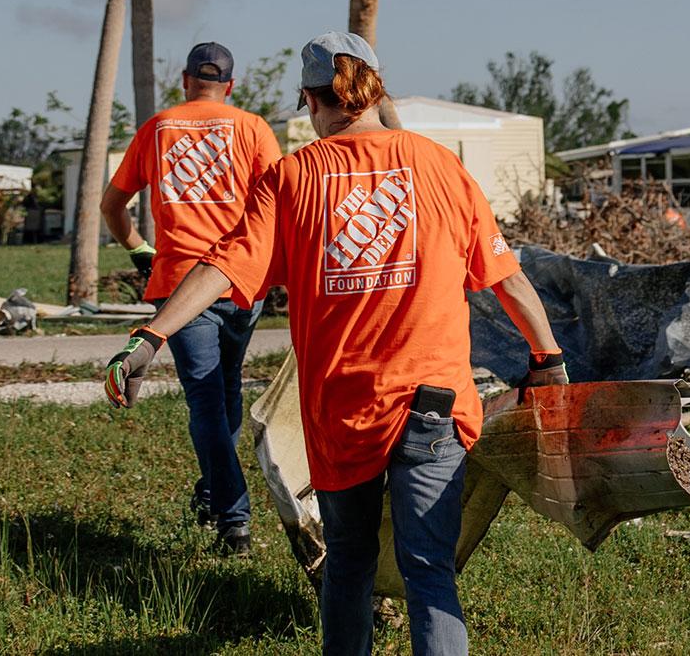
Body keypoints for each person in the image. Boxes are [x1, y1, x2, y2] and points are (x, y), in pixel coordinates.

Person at [105, 32, 567, 656]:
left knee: (348, 561)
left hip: (342, 411)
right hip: (434, 402)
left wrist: (152, 335)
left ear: (310, 99)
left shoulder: (291, 180)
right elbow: (505, 276)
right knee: (429, 569)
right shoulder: (439, 165)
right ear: (375, 89)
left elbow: (224, 266)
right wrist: (548, 359)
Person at [99, 42, 284, 556]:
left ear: (184, 81)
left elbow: (112, 204)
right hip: (243, 281)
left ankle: (232, 518)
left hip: (181, 284)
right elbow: (281, 202)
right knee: (223, 390)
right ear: (231, 84)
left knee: (208, 397)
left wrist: (138, 247)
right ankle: (218, 497)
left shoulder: (158, 128)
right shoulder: (252, 128)